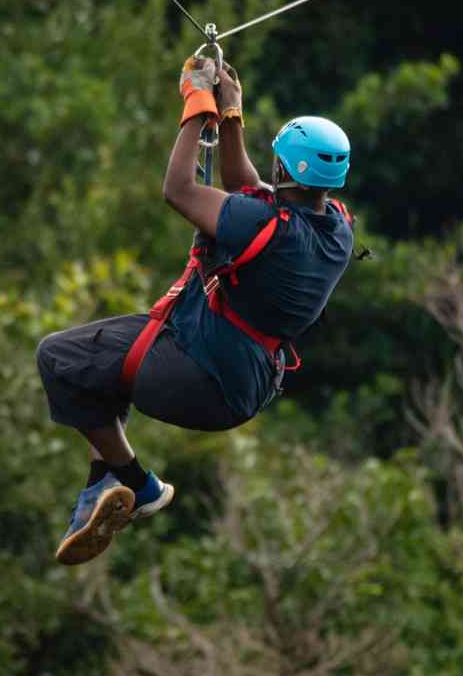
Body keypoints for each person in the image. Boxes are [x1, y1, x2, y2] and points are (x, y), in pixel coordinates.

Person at [36, 58, 357, 565]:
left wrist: (195, 107)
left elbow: (179, 190)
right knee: (98, 363)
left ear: (283, 168)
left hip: (201, 375)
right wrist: (229, 115)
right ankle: (104, 483)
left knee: (59, 358)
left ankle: (139, 485)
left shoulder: (263, 224)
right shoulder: (334, 229)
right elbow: (245, 186)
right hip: (241, 380)